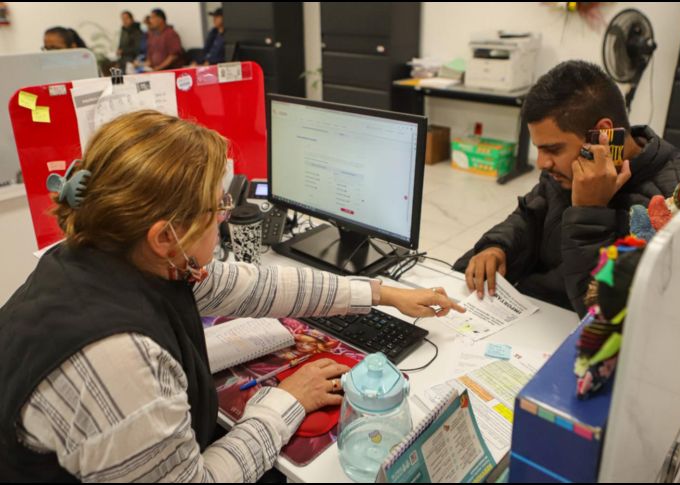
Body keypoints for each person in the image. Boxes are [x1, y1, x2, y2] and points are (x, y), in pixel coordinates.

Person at [0, 110, 464, 481]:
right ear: (165, 237)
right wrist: (286, 404)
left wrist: (382, 292)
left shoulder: (108, 253)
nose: (225, 214)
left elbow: (255, 287)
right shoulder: (115, 360)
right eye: (217, 206)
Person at [454, 60, 680, 314]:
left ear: (603, 134)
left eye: (552, 149)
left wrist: (590, 210)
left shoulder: (676, 201)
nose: (541, 163)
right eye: (538, 149)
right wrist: (497, 246)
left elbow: (606, 317)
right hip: (534, 316)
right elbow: (530, 215)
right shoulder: (568, 169)